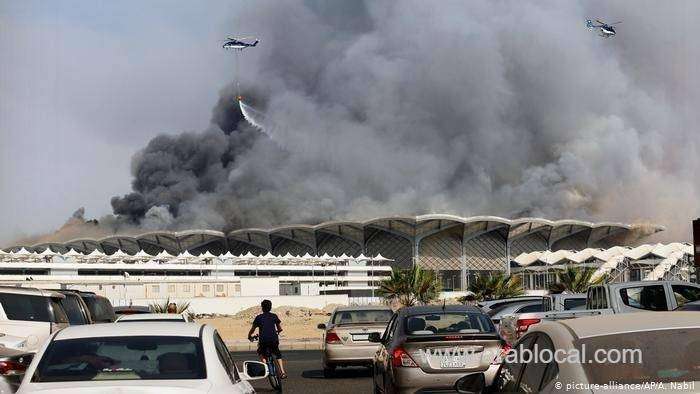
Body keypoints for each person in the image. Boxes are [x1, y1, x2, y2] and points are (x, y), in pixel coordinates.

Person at [248, 299, 287, 378]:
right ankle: (282, 372)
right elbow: (279, 328)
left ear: (262, 308)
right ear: (270, 307)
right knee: (277, 353)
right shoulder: (274, 316)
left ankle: (266, 368)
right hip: (274, 339)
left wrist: (249, 336)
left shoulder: (258, 318)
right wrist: (278, 331)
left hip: (263, 340)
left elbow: (252, 329)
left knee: (260, 351)